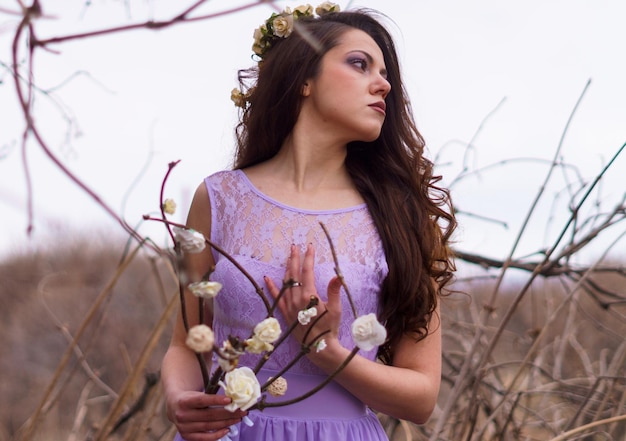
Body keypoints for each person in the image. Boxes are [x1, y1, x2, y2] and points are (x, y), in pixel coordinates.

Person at [161, 4, 457, 441]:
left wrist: (326, 350)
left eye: (385, 73)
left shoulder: (402, 217)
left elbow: (421, 399)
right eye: (360, 64)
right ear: (303, 78)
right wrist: (178, 400)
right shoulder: (219, 198)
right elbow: (186, 344)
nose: (384, 84)